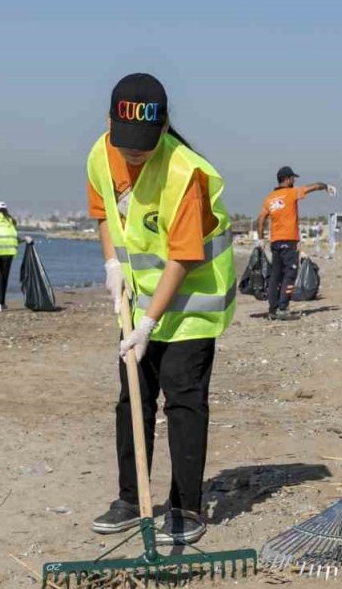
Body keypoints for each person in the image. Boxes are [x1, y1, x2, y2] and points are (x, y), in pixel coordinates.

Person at [85, 73, 235, 545]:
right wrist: (112, 263)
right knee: (133, 396)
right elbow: (104, 215)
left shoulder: (184, 172)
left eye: (144, 146)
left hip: (191, 300)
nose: (133, 153)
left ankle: (186, 507)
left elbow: (184, 255)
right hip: (138, 298)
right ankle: (132, 499)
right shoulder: (99, 154)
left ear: (164, 126)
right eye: (126, 143)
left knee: (184, 399)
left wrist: (151, 322)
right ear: (109, 123)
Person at [255, 167, 335, 320]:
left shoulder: (269, 198)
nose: (294, 181)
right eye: (293, 178)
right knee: (290, 274)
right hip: (289, 241)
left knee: (275, 276)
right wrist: (326, 186)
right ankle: (283, 308)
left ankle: (272, 309)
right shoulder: (292, 193)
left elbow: (260, 221)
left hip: (275, 243)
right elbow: (314, 187)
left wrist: (260, 240)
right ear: (287, 179)